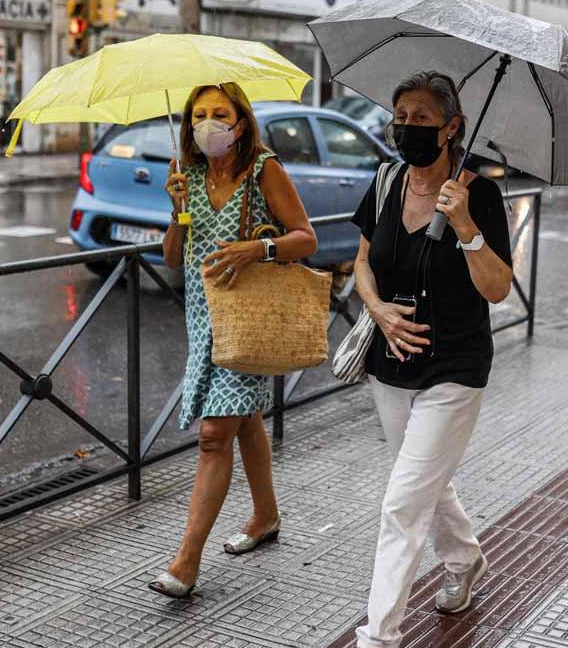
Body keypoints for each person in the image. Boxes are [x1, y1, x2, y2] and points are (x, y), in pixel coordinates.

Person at [351, 72, 514, 647]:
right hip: (391, 362)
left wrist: (466, 224)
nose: (407, 128)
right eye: (401, 116)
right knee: (422, 481)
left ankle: (380, 633)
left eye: (422, 118)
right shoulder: (386, 181)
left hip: (456, 367)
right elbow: (362, 265)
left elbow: (498, 289)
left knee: (402, 502)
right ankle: (466, 559)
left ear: (451, 128)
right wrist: (379, 312)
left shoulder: (482, 194)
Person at [148, 83, 318, 598]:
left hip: (247, 315)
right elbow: (174, 258)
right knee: (244, 421)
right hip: (203, 317)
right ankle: (265, 516)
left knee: (214, 433)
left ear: (240, 123)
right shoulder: (189, 176)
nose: (208, 124)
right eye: (198, 115)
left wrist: (256, 249)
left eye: (219, 114)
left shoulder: (262, 168)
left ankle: (185, 563)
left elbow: (304, 236)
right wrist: (176, 208)